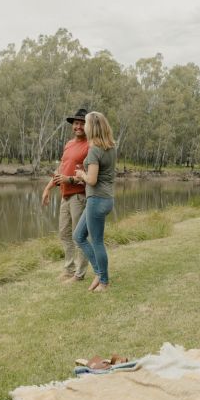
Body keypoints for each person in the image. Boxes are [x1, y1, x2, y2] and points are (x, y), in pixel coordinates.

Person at [42, 108, 90, 283]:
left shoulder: (90, 146)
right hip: (65, 196)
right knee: (64, 234)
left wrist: (69, 180)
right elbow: (60, 169)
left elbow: (90, 176)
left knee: (79, 236)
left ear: (87, 126)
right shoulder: (69, 144)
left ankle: (79, 274)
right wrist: (48, 188)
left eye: (82, 123)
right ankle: (69, 269)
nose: (78, 126)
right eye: (76, 123)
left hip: (79, 196)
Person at [73, 111, 116, 293]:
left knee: (97, 241)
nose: (85, 127)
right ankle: (99, 272)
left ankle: (104, 281)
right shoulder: (111, 147)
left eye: (87, 124)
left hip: (97, 200)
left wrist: (82, 174)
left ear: (92, 127)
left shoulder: (94, 150)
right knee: (78, 236)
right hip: (106, 199)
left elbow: (91, 180)